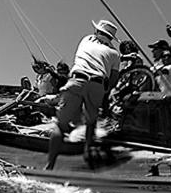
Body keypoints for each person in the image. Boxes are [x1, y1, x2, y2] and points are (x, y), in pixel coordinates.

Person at [46, 20, 121, 170]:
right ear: (111, 38)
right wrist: (104, 94)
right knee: (91, 122)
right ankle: (88, 157)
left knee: (60, 125)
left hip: (77, 79)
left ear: (97, 32)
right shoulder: (115, 54)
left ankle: (50, 165)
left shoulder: (86, 40)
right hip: (97, 84)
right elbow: (113, 80)